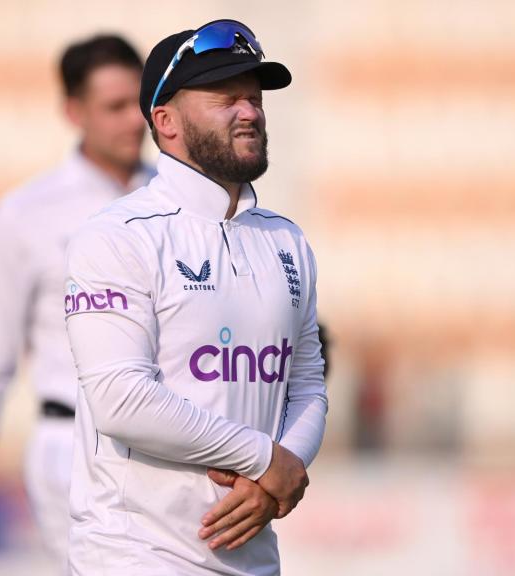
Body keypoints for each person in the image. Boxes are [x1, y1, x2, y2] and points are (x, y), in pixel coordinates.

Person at [63, 19, 328, 575]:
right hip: (136, 552)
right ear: (165, 121)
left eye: (254, 98)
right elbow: (122, 400)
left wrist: (284, 471)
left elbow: (305, 384)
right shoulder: (120, 234)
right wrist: (265, 461)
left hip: (250, 553)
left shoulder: (286, 239)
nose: (251, 112)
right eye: (226, 98)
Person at [0, 34, 152, 567]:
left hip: (172, 449)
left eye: (138, 104)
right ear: (73, 111)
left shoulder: (180, 200)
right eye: (113, 107)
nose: (133, 122)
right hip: (73, 447)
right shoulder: (26, 213)